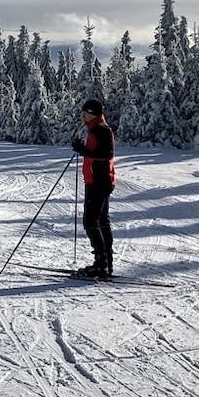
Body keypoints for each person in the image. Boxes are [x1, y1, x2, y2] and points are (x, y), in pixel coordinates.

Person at [70, 99, 116, 278]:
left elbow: (107, 154)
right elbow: (98, 152)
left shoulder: (101, 130)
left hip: (99, 182)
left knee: (90, 222)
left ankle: (101, 264)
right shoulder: (96, 129)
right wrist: (83, 148)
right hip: (100, 181)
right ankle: (106, 262)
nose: (82, 116)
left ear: (91, 113)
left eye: (84, 113)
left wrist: (84, 151)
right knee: (101, 221)